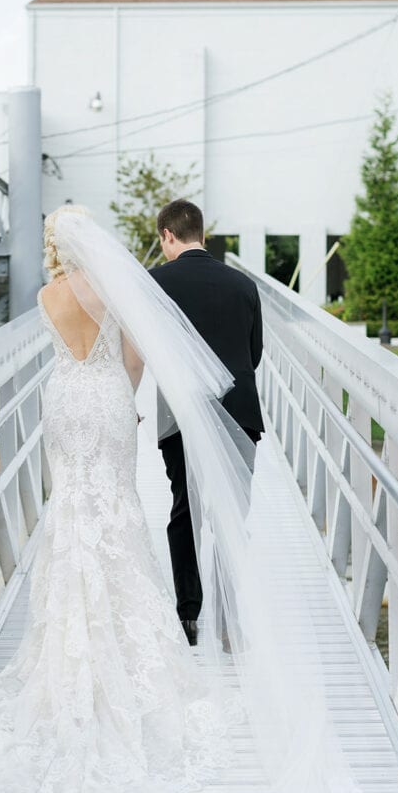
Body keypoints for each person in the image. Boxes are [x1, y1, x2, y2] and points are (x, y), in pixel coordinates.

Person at [0, 205, 367, 793]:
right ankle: (199, 614)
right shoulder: (154, 288)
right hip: (123, 404)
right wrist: (126, 395)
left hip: (66, 405)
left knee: (79, 513)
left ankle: (158, 609)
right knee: (121, 510)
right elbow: (137, 356)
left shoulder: (45, 295)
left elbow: (67, 352)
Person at [149, 199, 264, 647]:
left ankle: (189, 615)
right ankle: (230, 617)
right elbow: (254, 354)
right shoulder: (243, 285)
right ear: (202, 233)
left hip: (182, 415)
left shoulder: (155, 282)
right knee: (232, 515)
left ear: (167, 236)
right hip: (241, 414)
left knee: (185, 510)